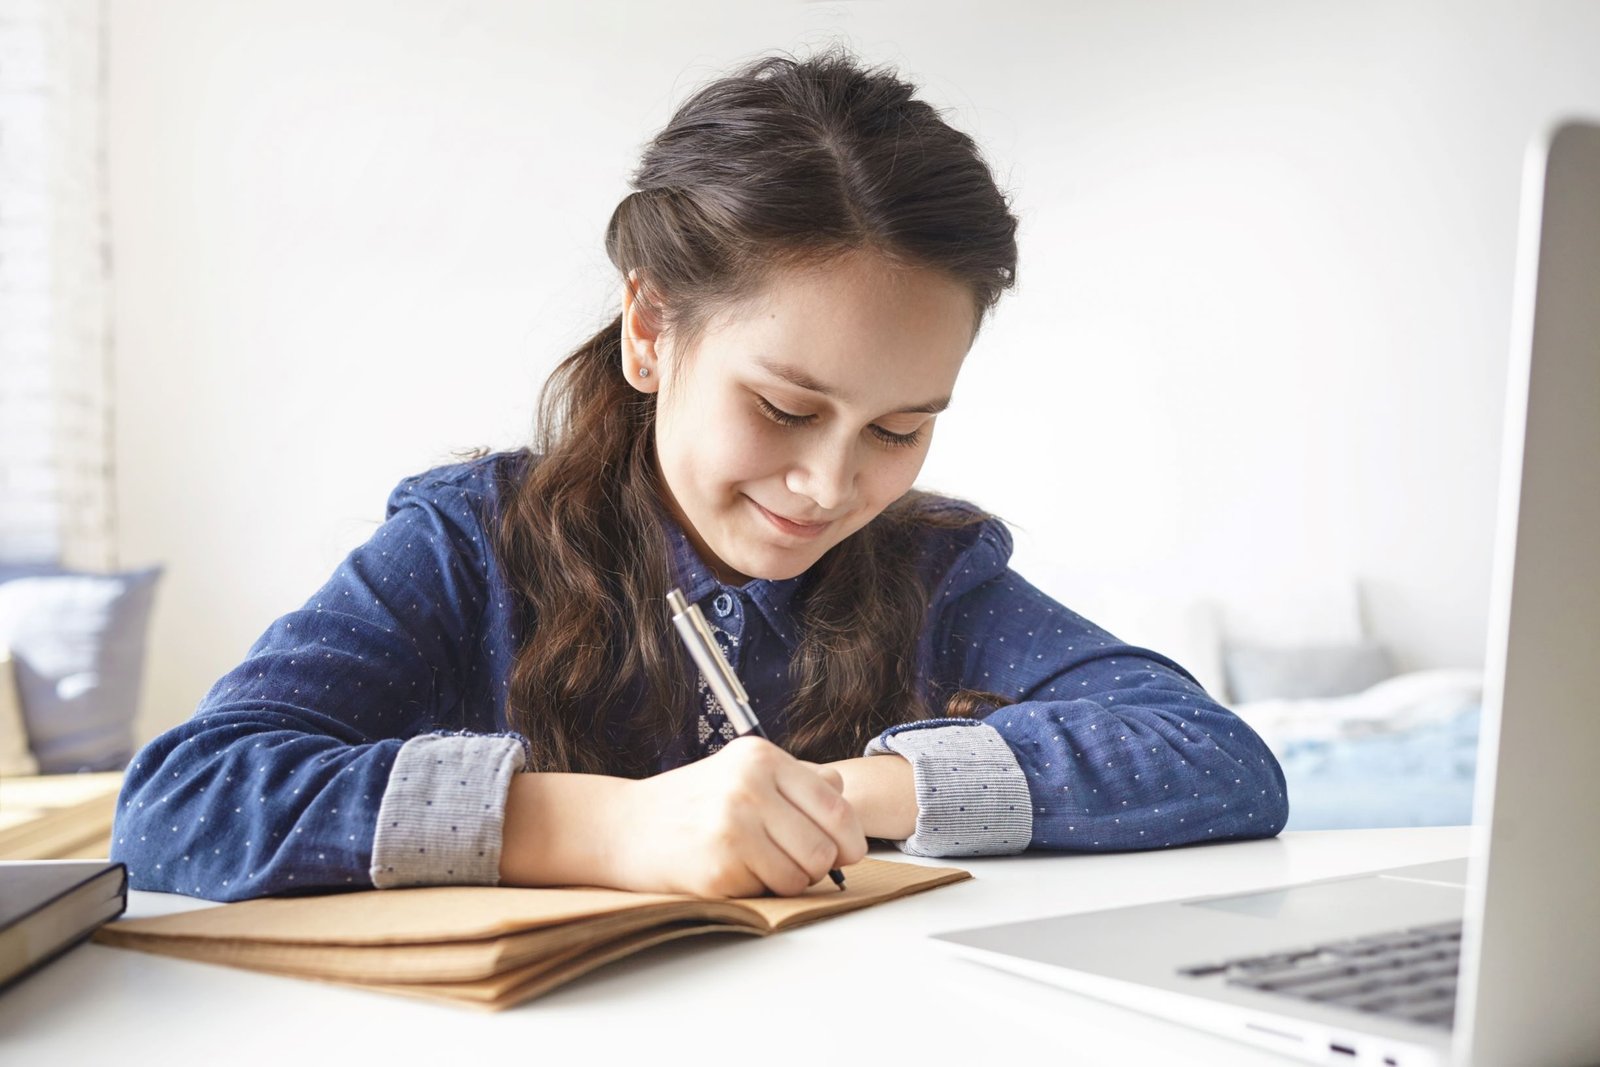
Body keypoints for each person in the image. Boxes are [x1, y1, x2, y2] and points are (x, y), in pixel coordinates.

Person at [110, 47, 1288, 903]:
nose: (828, 486)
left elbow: (1217, 759)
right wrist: (607, 825)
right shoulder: (474, 541)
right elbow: (183, 801)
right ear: (651, 328)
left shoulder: (928, 570)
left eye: (899, 428)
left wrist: (853, 794)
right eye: (783, 407)